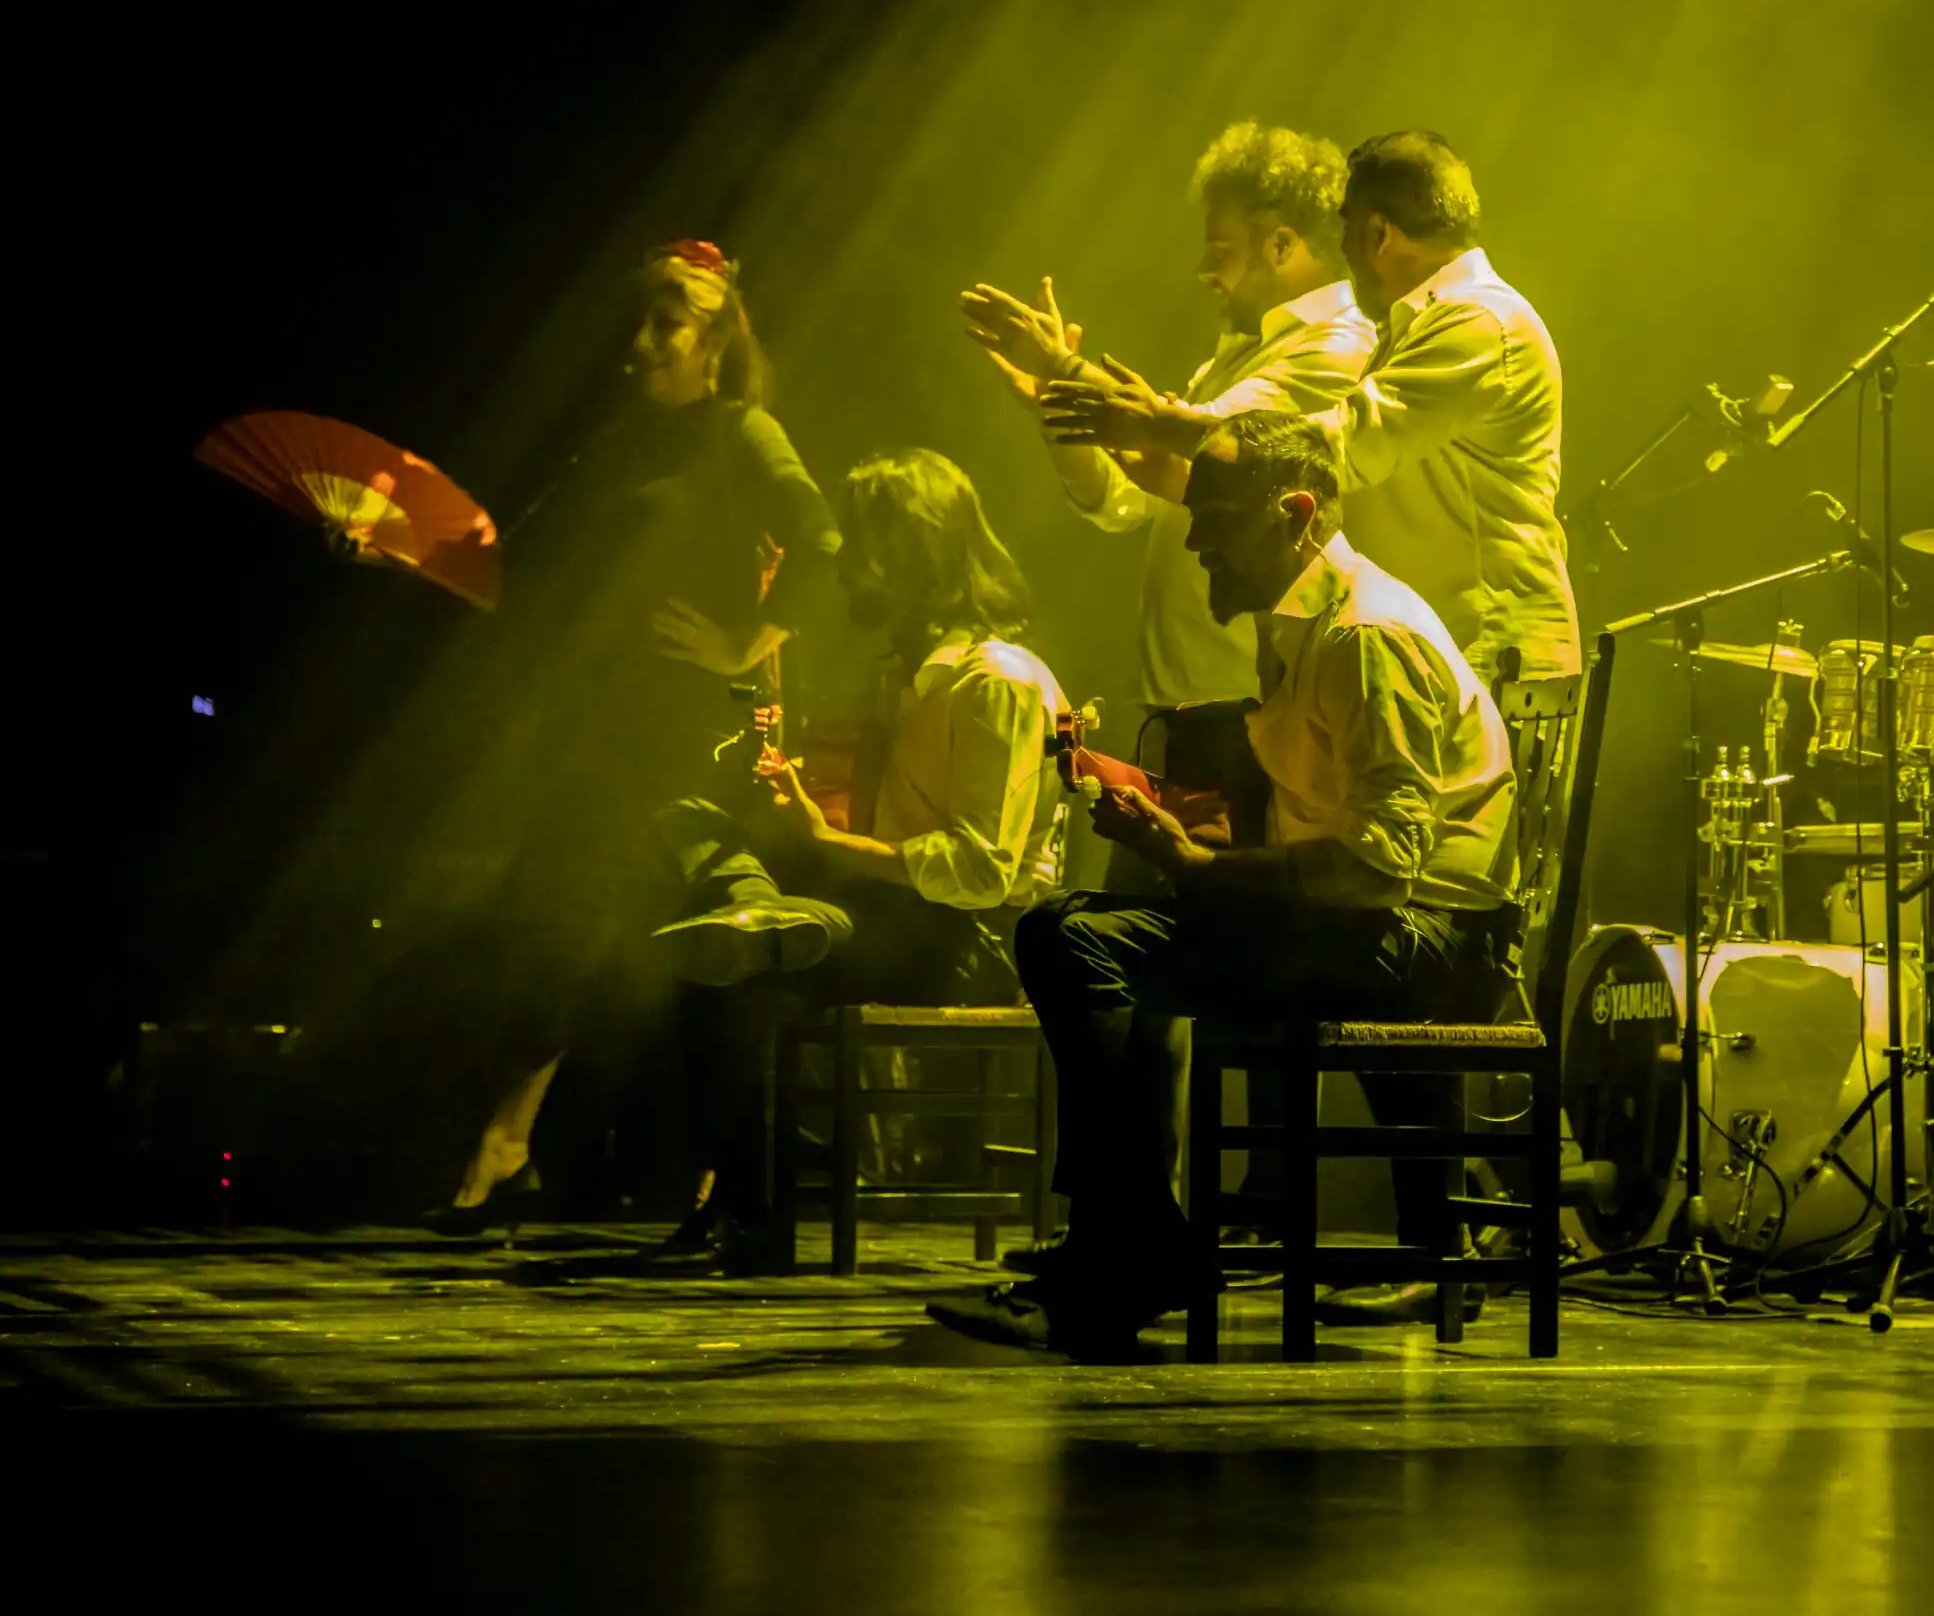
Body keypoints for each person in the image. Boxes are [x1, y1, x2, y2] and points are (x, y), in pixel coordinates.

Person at [928, 411, 1519, 1353]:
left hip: (1424, 942)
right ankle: (1126, 1239)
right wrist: (1171, 815)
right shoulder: (1304, 625)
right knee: (1083, 928)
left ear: (1296, 514)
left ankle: (1125, 1254)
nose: (1195, 538)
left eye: (1216, 516)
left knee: (1074, 938)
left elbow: (1381, 862)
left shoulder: (1365, 635)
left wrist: (1198, 865)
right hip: (1374, 926)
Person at [423, 240, 841, 1234]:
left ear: (714, 339)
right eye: (640, 323)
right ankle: (531, 1150)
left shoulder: (741, 431)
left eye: (666, 324)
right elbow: (523, 569)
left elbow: (823, 541)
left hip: (681, 733)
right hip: (600, 719)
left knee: (604, 928)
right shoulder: (621, 444)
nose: (642, 342)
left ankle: (546, 1152)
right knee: (565, 930)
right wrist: (397, 552)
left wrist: (743, 645)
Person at [649, 448, 1073, 1268]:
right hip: (890, 912)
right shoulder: (904, 677)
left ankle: (751, 1211)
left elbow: (982, 870)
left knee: (741, 973)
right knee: (701, 874)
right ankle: (757, 913)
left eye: (862, 543)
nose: (845, 565)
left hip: (971, 939)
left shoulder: (997, 681)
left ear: (915, 553)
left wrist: (829, 844)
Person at [960, 120, 1375, 885]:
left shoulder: (1336, 346)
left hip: (1249, 714)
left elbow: (1219, 452)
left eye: (1220, 248)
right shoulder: (1241, 354)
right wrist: (1057, 401)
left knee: (1188, 933)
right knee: (1141, 930)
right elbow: (1125, 498)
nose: (1202, 269)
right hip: (1194, 713)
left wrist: (1065, 371)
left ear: (1282, 245)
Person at [1039, 129, 1579, 684]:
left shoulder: (1478, 321)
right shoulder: (1418, 323)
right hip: (1450, 648)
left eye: (1344, 228)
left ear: (1378, 234)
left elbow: (1337, 446)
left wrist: (1165, 425)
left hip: (1490, 651)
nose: (1340, 252)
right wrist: (1183, 473)